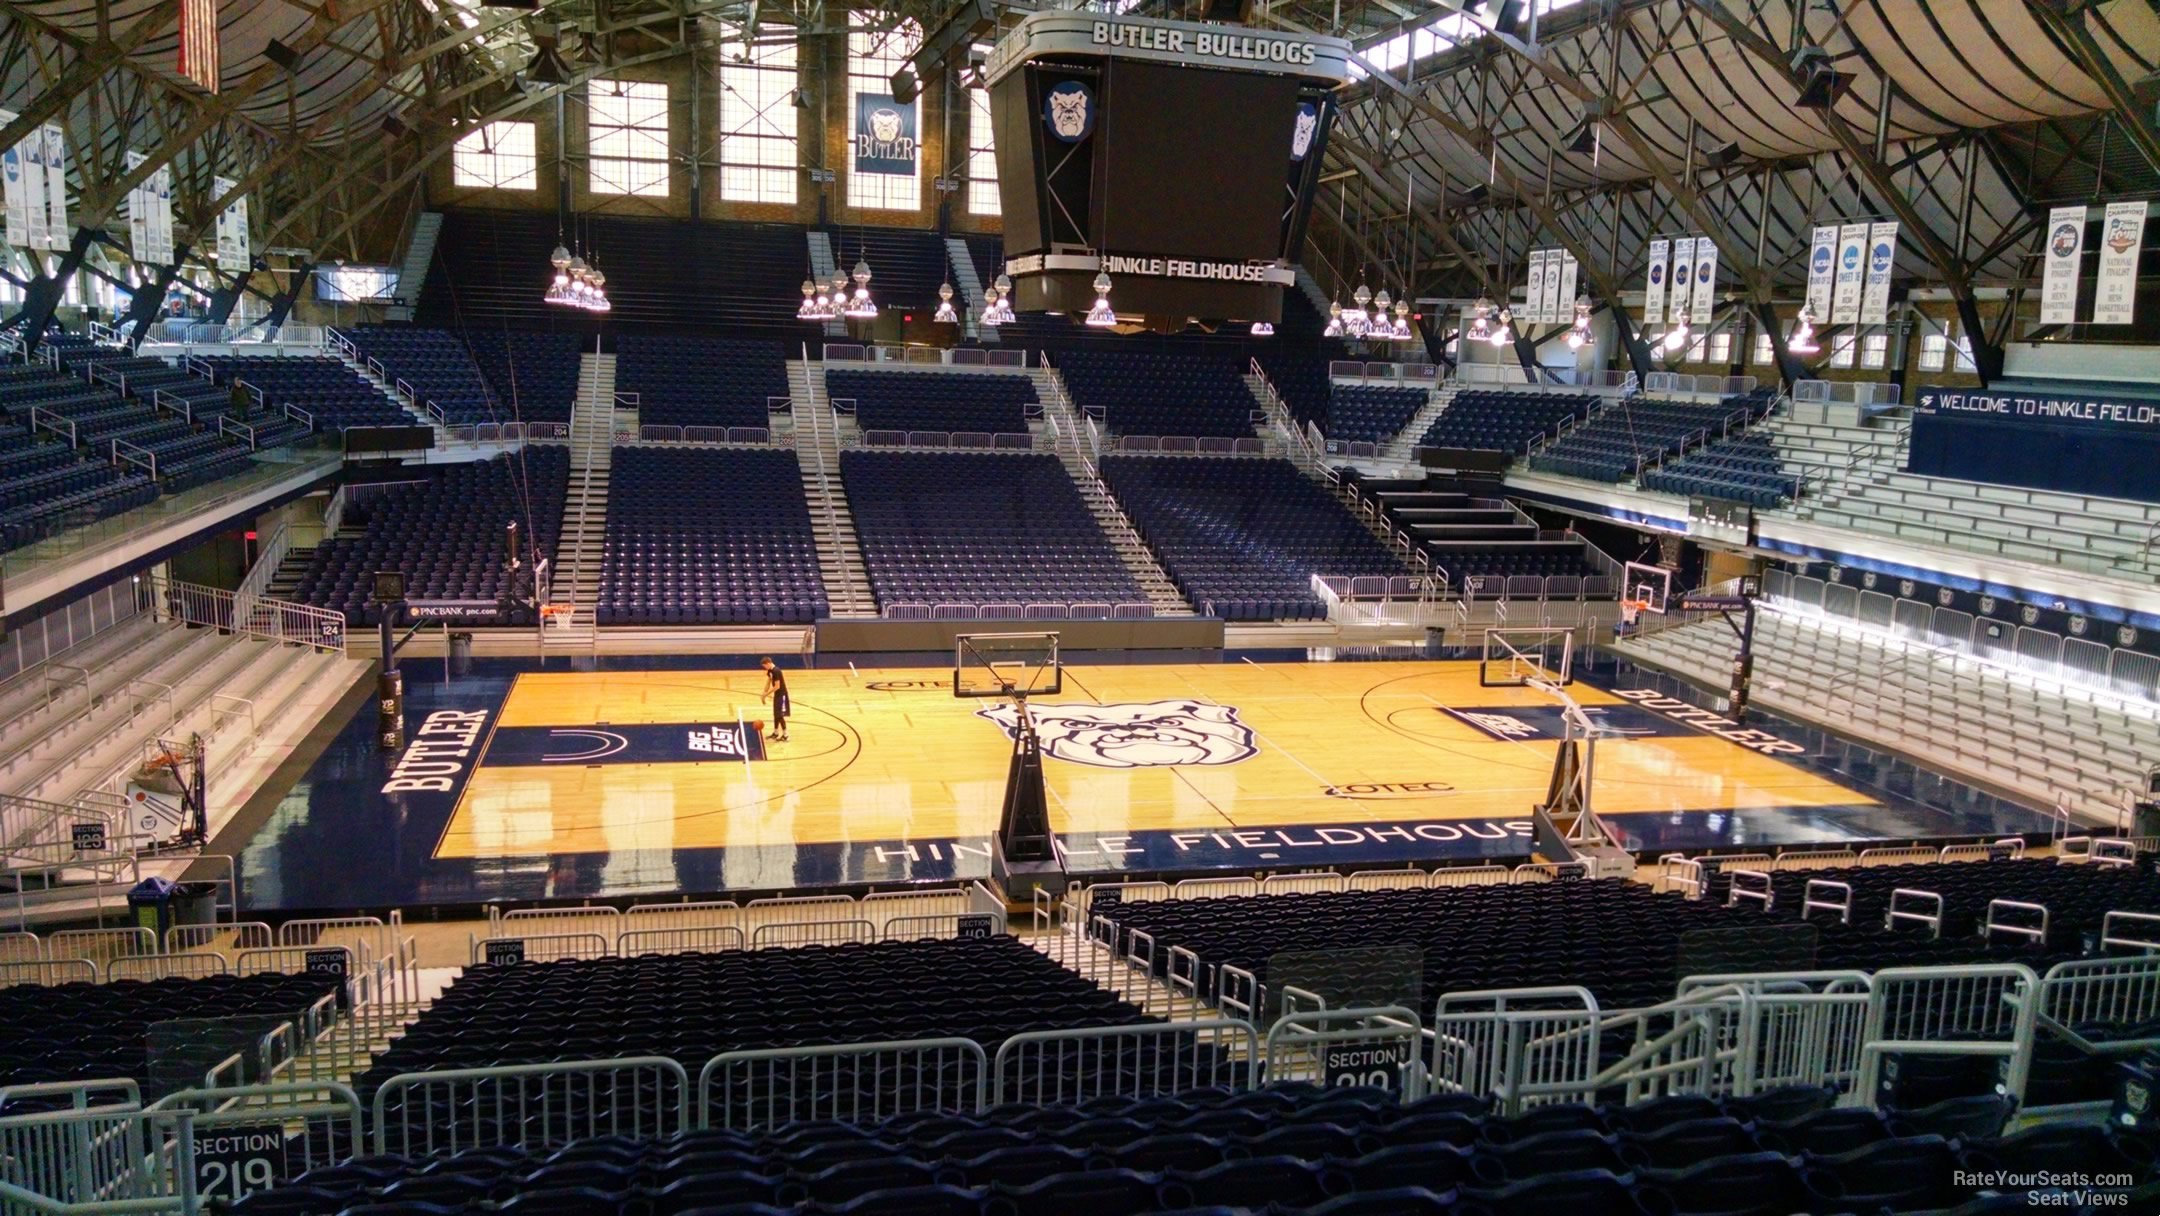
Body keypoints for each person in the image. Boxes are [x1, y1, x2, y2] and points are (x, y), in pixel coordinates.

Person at [759, 657, 790, 742]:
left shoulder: (776, 671)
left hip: (782, 694)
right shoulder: (770, 671)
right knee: (776, 714)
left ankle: (786, 735)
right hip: (777, 694)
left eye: (765, 666)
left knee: (779, 715)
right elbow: (768, 682)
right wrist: (763, 694)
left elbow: (777, 686)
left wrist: (766, 694)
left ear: (768, 663)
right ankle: (776, 733)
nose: (765, 668)